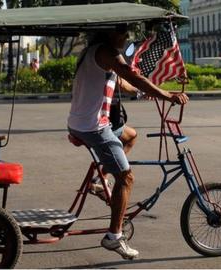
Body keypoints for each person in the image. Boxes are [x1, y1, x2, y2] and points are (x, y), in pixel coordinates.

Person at [67, 24, 189, 260]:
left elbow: (124, 83)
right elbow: (133, 74)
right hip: (93, 126)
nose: (126, 37)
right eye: (123, 33)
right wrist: (167, 95)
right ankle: (114, 236)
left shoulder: (95, 52)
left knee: (130, 135)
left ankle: (99, 182)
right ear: (110, 33)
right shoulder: (107, 52)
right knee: (126, 177)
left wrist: (148, 93)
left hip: (84, 122)